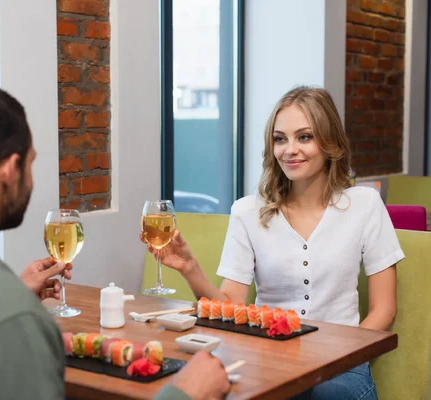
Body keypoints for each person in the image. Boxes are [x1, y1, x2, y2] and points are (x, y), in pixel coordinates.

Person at [0, 82, 230, 400]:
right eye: (30, 164)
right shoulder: (10, 320)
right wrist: (185, 395)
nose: (30, 178)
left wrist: (10, 297)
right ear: (10, 171)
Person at [142, 86, 405, 400]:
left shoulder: (365, 204)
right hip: (266, 355)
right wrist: (190, 268)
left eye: (304, 137)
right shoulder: (247, 211)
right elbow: (231, 307)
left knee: (328, 394)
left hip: (342, 362)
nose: (289, 149)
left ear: (330, 142)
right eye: (280, 139)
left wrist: (339, 354)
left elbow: (384, 310)